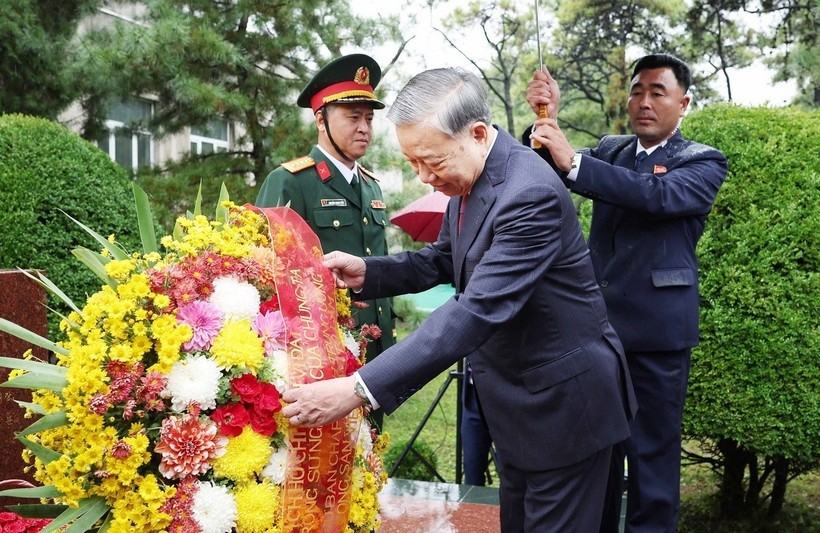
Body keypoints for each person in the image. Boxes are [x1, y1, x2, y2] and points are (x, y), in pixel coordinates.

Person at [282, 67, 637, 532]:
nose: (424, 177)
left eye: (432, 162)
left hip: (566, 411)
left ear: (477, 134)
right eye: (413, 162)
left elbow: (476, 309)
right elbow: (442, 259)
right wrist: (369, 271)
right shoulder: (471, 177)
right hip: (523, 410)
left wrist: (356, 390)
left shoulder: (529, 193)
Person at [523, 53, 728, 532]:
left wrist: (574, 161)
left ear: (684, 103)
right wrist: (544, 120)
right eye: (637, 92)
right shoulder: (612, 150)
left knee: (652, 458)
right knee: (598, 457)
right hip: (598, 335)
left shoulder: (702, 161)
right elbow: (542, 171)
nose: (644, 102)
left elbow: (655, 196)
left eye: (658, 92)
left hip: (657, 339)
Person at [255, 53, 395, 430]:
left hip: (375, 353)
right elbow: (264, 273)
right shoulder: (291, 181)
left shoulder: (372, 186)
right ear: (321, 120)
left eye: (369, 119)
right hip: (320, 353)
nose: (364, 128)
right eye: (353, 117)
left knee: (369, 454)